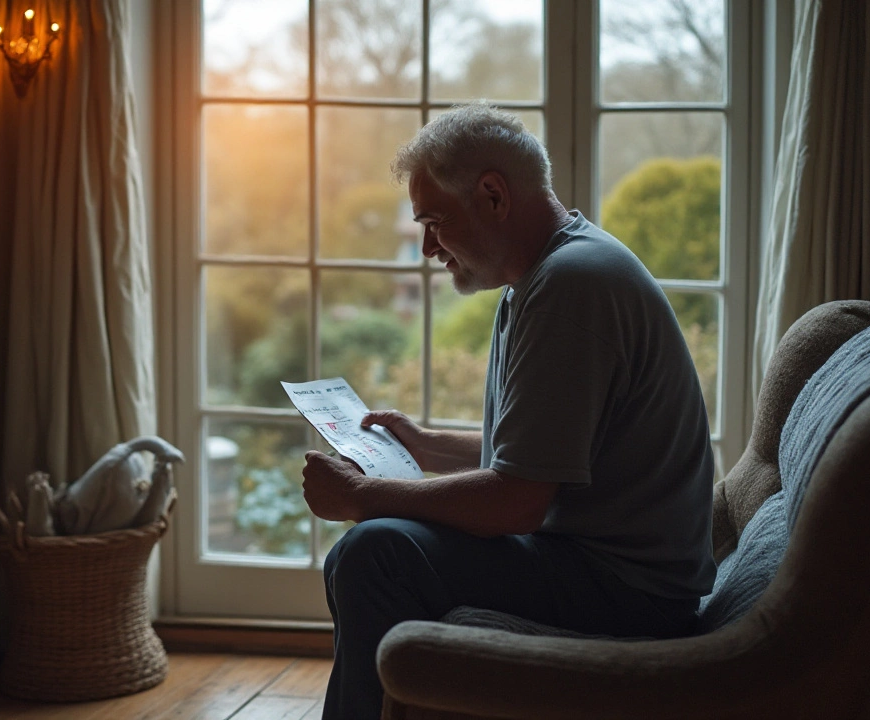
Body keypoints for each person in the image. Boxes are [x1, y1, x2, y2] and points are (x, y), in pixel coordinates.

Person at [302, 102, 717, 720]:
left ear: (493, 194)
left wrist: (366, 496)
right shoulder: (546, 275)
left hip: (629, 594)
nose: (425, 247)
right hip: (602, 566)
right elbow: (545, 452)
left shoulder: (570, 286)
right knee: (365, 552)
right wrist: (426, 445)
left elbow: (518, 501)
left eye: (435, 221)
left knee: (373, 552)